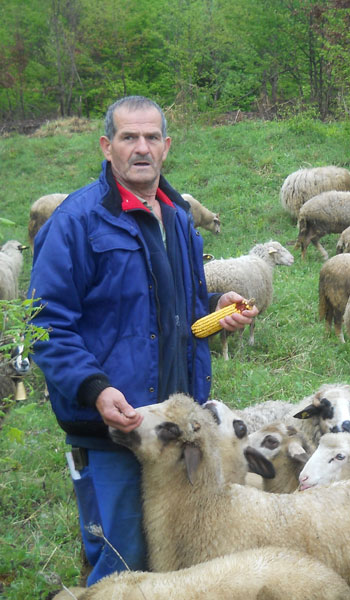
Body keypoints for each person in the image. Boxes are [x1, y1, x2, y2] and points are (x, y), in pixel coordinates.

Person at [28, 95, 258, 585]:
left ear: (167, 146)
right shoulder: (76, 223)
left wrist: (213, 310)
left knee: (172, 559)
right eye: (129, 137)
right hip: (114, 430)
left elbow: (177, 305)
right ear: (106, 146)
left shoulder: (176, 218)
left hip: (173, 429)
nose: (141, 148)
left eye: (151, 137)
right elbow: (44, 325)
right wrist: (94, 387)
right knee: (123, 562)